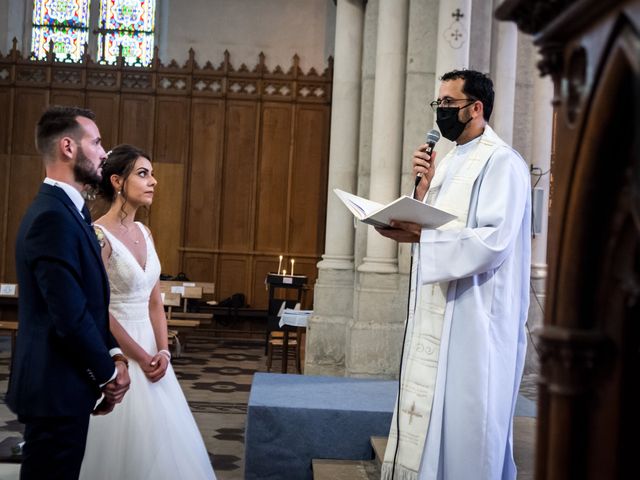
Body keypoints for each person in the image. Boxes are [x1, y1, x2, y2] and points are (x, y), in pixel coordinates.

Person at [377, 70, 531, 480]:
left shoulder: (503, 163)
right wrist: (421, 193)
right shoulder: (449, 162)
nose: (441, 112)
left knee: (467, 431)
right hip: (440, 312)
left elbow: (492, 242)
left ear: (476, 108)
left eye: (449, 103)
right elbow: (436, 224)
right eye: (439, 104)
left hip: (474, 321)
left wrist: (422, 236)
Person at [6, 106, 131, 479]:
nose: (104, 152)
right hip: (54, 390)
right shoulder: (51, 217)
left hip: (65, 386)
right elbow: (69, 315)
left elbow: (90, 303)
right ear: (67, 147)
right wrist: (108, 374)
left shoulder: (70, 213)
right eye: (95, 142)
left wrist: (113, 352)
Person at [79, 144, 216, 479]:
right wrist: (140, 356)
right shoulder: (98, 235)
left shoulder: (145, 232)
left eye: (152, 174)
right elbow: (98, 309)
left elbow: (155, 302)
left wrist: (165, 351)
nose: (153, 181)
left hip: (154, 352)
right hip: (118, 349)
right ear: (117, 181)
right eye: (143, 174)